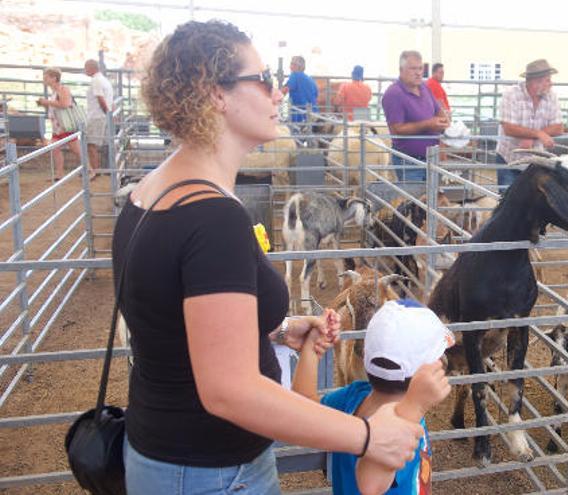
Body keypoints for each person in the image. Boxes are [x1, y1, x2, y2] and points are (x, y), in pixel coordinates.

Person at [116, 20, 423, 494]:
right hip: (214, 471)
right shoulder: (212, 217)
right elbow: (229, 391)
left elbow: (175, 327)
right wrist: (366, 436)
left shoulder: (152, 192)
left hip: (164, 452)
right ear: (215, 93)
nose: (278, 93)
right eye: (263, 80)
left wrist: (275, 330)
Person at [292, 299, 452, 495]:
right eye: (439, 355)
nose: (443, 361)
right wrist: (413, 408)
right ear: (424, 373)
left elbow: (303, 405)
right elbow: (371, 484)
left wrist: (311, 347)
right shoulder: (403, 425)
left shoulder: (355, 396)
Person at [381, 50, 449, 182]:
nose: (418, 72)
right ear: (401, 70)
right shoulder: (394, 94)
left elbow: (438, 109)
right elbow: (396, 129)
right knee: (414, 200)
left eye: (420, 68)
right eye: (413, 68)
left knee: (431, 200)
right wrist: (428, 124)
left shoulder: (424, 87)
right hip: (409, 161)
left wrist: (444, 120)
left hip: (432, 159)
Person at [495, 59, 563, 187]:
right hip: (509, 157)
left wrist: (534, 135)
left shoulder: (551, 96)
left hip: (536, 160)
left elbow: (558, 127)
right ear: (535, 82)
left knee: (531, 202)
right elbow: (509, 128)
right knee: (507, 199)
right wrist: (538, 134)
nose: (551, 84)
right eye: (547, 80)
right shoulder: (511, 94)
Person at [36, 68, 83, 181]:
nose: (44, 80)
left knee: (76, 150)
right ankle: (59, 174)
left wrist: (46, 102)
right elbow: (58, 105)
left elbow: (65, 104)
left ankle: (89, 170)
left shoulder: (63, 89)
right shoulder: (55, 91)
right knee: (56, 149)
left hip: (65, 126)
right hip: (58, 126)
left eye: (46, 77)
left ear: (54, 78)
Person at [84, 59, 114, 179]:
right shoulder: (104, 80)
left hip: (96, 115)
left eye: (86, 68)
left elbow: (100, 98)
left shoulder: (96, 80)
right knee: (98, 144)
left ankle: (94, 171)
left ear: (91, 68)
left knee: (91, 144)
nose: (85, 70)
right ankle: (100, 169)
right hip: (102, 115)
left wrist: (106, 111)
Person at [281, 55, 318, 125]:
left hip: (299, 117)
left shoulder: (294, 75)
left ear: (297, 66)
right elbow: (316, 95)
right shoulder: (310, 79)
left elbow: (284, 91)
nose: (290, 66)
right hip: (314, 115)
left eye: (292, 64)